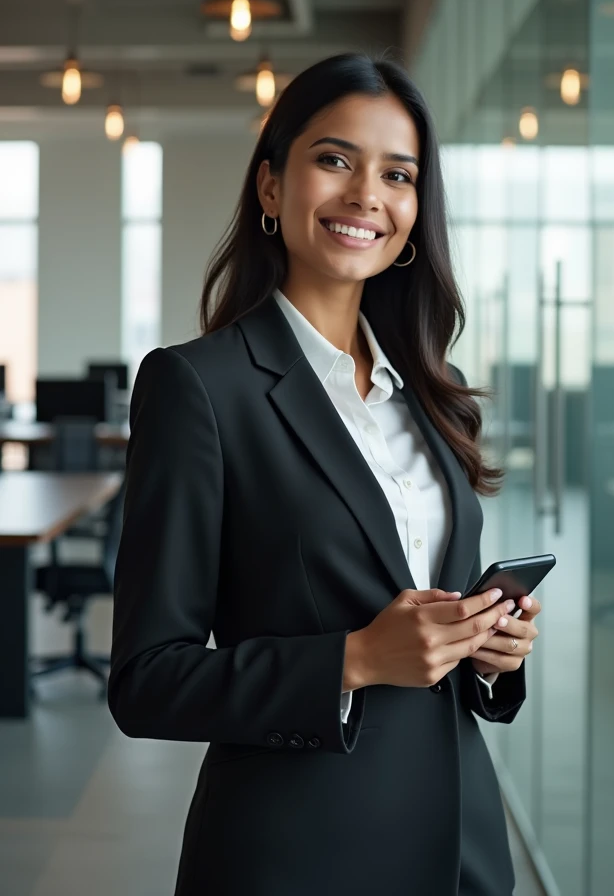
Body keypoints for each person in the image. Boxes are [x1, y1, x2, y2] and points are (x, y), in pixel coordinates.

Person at [108, 52, 542, 896]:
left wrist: (493, 651)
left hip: (460, 850)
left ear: (416, 212)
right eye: (334, 159)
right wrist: (351, 659)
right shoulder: (198, 386)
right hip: (301, 856)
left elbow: (430, 638)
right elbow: (147, 682)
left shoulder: (422, 391)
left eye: (398, 174)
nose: (365, 196)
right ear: (271, 186)